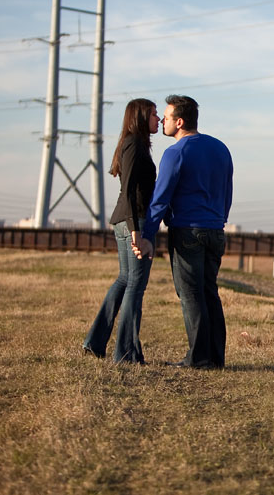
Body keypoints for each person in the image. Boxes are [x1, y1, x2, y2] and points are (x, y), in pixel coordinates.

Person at [133, 94, 233, 369]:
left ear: (179, 122)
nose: (162, 120)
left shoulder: (175, 152)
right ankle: (215, 357)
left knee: (190, 294)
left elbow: (161, 198)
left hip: (188, 231)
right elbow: (227, 192)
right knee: (210, 291)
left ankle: (198, 358)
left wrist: (148, 235)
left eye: (166, 116)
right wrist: (219, 219)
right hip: (215, 230)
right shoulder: (221, 148)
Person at [83, 98, 160, 363]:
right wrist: (136, 229)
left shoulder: (135, 145)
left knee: (126, 280)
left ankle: (95, 342)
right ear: (140, 117)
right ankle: (126, 353)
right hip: (132, 221)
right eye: (153, 114)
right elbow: (127, 189)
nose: (158, 120)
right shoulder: (133, 145)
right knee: (135, 285)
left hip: (127, 221)